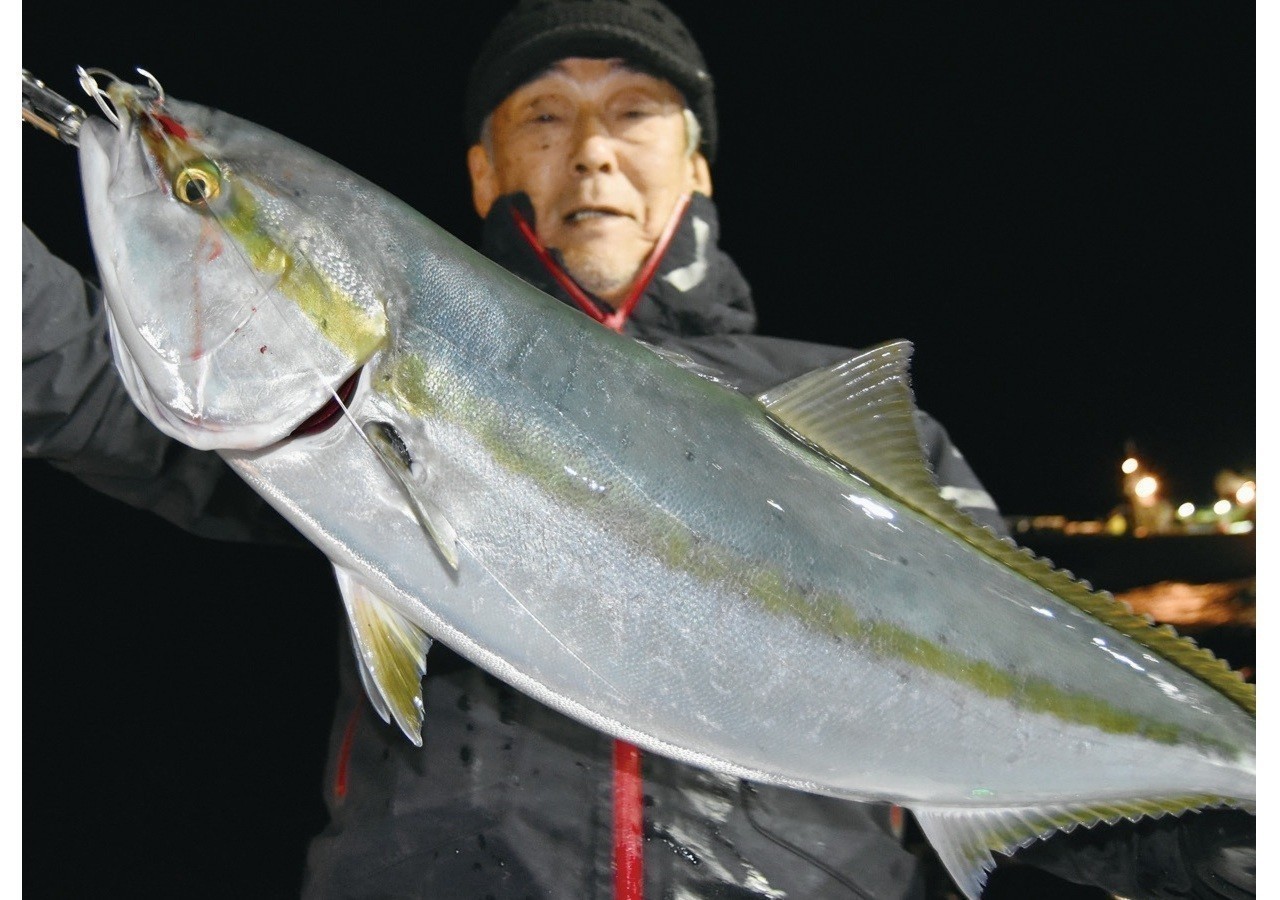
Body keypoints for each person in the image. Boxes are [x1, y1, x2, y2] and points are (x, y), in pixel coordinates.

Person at [22, 1, 1254, 897]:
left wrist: (1191, 813)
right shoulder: (305, 434)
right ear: (482, 167)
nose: (591, 150)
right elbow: (76, 378)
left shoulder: (839, 414)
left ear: (693, 163)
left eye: (634, 114)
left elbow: (997, 672)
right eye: (543, 117)